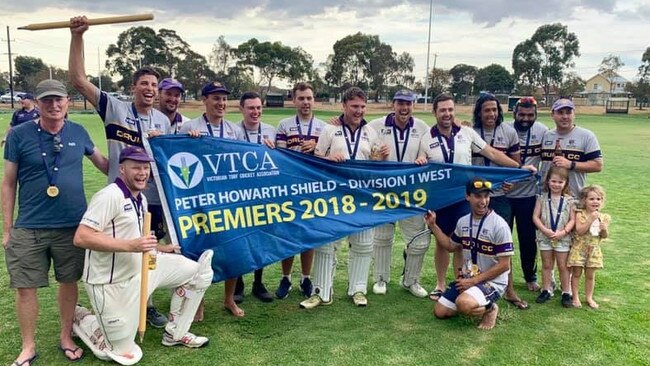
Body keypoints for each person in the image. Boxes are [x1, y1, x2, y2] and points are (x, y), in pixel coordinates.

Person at [68, 15, 172, 328]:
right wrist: (78, 37)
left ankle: (147, 303)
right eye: (144, 84)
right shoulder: (115, 107)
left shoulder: (164, 122)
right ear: (133, 87)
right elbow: (78, 79)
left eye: (154, 85)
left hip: (155, 200)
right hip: (122, 199)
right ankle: (112, 307)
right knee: (119, 255)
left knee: (147, 253)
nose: (150, 89)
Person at [73, 146, 212, 365]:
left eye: (145, 167)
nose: (142, 173)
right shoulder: (109, 196)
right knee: (120, 354)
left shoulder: (141, 198)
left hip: (139, 269)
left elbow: (139, 241)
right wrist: (131, 245)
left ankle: (174, 334)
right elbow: (81, 237)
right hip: (108, 283)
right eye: (136, 167)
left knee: (198, 272)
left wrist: (157, 248)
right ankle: (80, 316)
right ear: (121, 169)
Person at [2, 79, 108, 365]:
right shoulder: (19, 135)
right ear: (37, 103)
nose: (54, 105)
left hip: (73, 227)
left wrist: (142, 154)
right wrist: (7, 228)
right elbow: (8, 183)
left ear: (67, 101)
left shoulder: (79, 131)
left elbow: (104, 165)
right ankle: (27, 346)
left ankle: (65, 336)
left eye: (58, 99)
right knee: (26, 287)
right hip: (29, 226)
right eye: (46, 100)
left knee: (69, 281)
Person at [417, 94, 536, 302]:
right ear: (434, 112)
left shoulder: (466, 132)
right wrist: (419, 159)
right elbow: (419, 163)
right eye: (442, 110)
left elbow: (492, 153)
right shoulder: (426, 137)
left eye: (450, 109)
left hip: (464, 197)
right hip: (441, 198)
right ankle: (440, 284)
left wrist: (518, 168)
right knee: (441, 242)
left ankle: (459, 282)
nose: (447, 114)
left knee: (461, 242)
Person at [300, 86, 384, 309]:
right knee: (327, 244)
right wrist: (328, 158)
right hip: (334, 196)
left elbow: (378, 164)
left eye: (363, 106)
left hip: (363, 197)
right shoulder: (329, 130)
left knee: (363, 244)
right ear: (344, 106)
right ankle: (320, 292)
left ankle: (357, 289)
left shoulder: (371, 132)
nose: (359, 111)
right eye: (354, 106)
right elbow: (316, 160)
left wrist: (379, 159)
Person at [180, 81, 245, 318]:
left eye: (224, 98)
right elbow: (179, 159)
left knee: (233, 250)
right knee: (198, 250)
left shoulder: (233, 129)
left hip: (227, 198)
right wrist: (189, 141)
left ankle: (229, 299)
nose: (221, 103)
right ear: (204, 99)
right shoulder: (189, 126)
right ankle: (198, 301)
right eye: (216, 98)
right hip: (200, 199)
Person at [424, 177, 514, 330]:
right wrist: (433, 225)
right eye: (478, 196)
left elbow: (505, 265)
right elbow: (451, 246)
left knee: (464, 304)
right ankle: (472, 300)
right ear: (467, 196)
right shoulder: (463, 221)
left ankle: (490, 309)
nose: (483, 201)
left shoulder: (499, 225)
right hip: (470, 278)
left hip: (493, 282)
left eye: (486, 196)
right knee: (440, 312)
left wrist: (473, 282)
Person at [368, 89, 431, 298]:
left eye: (408, 104)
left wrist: (423, 157)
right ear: (393, 104)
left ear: (413, 105)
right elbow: (361, 148)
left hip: (412, 193)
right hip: (384, 192)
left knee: (419, 240)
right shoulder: (376, 126)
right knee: (382, 238)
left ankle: (411, 280)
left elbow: (430, 149)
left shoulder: (422, 127)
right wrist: (375, 156)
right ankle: (380, 279)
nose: (404, 108)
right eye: (400, 103)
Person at [470, 94, 529, 309]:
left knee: (502, 245)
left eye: (494, 110)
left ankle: (510, 290)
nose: (491, 114)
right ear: (479, 112)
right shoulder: (470, 132)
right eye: (486, 110)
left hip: (500, 197)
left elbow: (515, 163)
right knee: (472, 241)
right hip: (475, 196)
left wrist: (511, 182)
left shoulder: (508, 131)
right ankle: (472, 283)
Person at [273, 82, 325, 299]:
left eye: (309, 98)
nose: (305, 102)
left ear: (314, 100)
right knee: (288, 234)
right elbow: (279, 157)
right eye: (301, 98)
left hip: (313, 189)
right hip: (290, 188)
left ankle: (305, 277)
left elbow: (328, 157)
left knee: (308, 234)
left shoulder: (323, 127)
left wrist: (316, 148)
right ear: (294, 100)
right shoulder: (284, 125)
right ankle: (286, 277)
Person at [233, 91, 277, 303]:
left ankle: (258, 283)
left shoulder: (271, 131)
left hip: (263, 194)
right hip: (239, 194)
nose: (255, 112)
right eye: (251, 108)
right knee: (241, 239)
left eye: (259, 108)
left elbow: (280, 159)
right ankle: (238, 284)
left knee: (262, 239)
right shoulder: (232, 131)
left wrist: (274, 150)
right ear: (241, 109)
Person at [505, 97, 548, 293]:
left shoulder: (542, 131)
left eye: (530, 115)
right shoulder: (504, 129)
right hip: (503, 195)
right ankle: (500, 276)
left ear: (536, 116)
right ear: (514, 113)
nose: (525, 118)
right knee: (501, 238)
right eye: (521, 114)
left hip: (529, 195)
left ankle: (530, 276)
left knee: (528, 238)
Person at [540, 98, 603, 198]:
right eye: (560, 112)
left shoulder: (586, 136)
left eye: (568, 113)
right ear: (552, 115)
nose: (565, 116)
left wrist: (571, 164)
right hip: (545, 198)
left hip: (573, 198)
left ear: (574, 114)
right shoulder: (546, 135)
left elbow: (598, 165)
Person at [532, 166, 576, 307]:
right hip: (545, 236)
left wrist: (563, 232)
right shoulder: (542, 198)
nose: (556, 185)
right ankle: (546, 289)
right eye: (553, 181)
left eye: (560, 182)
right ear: (548, 181)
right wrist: (544, 230)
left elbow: (572, 220)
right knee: (547, 264)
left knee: (563, 266)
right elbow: (535, 217)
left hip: (562, 237)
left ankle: (566, 292)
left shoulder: (569, 201)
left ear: (565, 184)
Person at [568, 185, 610, 309]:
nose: (595, 201)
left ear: (602, 201)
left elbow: (603, 236)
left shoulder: (604, 217)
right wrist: (590, 219)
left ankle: (589, 297)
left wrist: (604, 230)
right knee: (576, 274)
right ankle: (575, 297)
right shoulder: (580, 214)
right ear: (584, 200)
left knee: (590, 275)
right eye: (591, 199)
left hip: (594, 250)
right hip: (579, 249)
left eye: (598, 199)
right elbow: (580, 231)